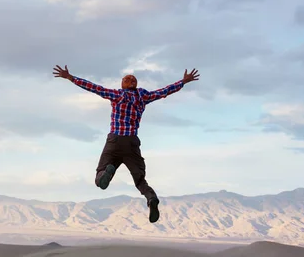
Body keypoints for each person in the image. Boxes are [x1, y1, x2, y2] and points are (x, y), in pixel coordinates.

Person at [52, 65, 199, 223]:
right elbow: (163, 92)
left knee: (100, 176)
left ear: (123, 85)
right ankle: (151, 198)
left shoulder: (117, 95)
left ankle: (105, 173)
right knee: (140, 180)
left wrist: (71, 77)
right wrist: (183, 82)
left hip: (114, 141)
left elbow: (94, 88)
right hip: (131, 144)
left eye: (129, 79)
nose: (129, 80)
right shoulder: (143, 97)